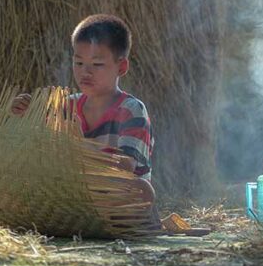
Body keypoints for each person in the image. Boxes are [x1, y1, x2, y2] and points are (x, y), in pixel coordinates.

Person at [10, 13, 155, 204]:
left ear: (121, 67)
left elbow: (125, 165)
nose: (85, 72)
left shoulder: (131, 111)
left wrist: (79, 148)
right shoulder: (66, 106)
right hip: (77, 198)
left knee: (142, 189)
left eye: (97, 64)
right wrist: (25, 112)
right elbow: (38, 144)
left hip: (118, 201)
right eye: (79, 63)